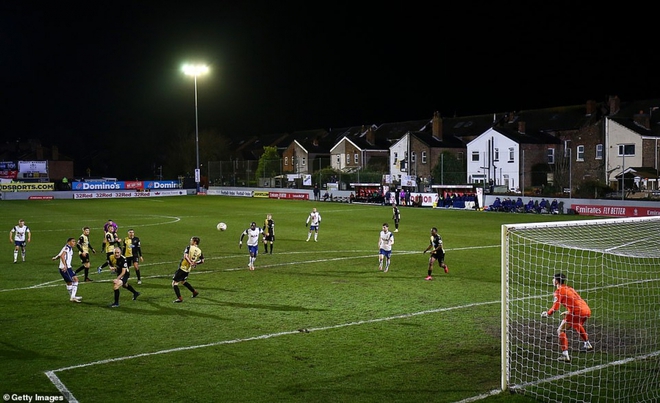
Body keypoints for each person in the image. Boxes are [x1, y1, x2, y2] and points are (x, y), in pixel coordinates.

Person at [541, 273, 593, 362]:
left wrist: (548, 313)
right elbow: (575, 301)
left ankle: (565, 355)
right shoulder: (569, 288)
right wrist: (569, 311)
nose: (552, 280)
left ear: (556, 281)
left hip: (577, 311)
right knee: (576, 324)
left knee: (560, 330)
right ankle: (587, 344)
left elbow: (555, 307)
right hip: (586, 310)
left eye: (553, 279)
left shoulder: (559, 291)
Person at [172, 236, 203, 303]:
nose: (190, 241)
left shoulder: (189, 247)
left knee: (174, 283)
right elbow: (202, 260)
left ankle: (179, 298)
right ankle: (194, 292)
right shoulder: (199, 251)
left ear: (195, 242)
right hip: (188, 269)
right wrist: (195, 263)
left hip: (183, 268)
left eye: (191, 240)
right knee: (183, 281)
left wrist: (191, 263)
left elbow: (185, 256)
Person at [57, 237, 82, 303]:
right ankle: (72, 297)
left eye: (75, 241)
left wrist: (55, 258)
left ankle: (73, 296)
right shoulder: (67, 248)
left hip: (68, 268)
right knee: (70, 282)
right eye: (73, 241)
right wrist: (65, 265)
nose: (74, 243)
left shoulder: (67, 248)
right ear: (68, 242)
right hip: (65, 268)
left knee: (75, 280)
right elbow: (62, 256)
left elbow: (59, 255)